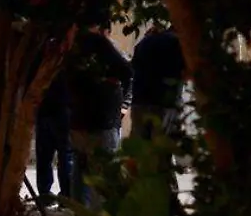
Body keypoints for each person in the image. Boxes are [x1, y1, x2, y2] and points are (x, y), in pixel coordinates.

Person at [65, 22, 132, 203]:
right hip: (102, 122)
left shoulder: (72, 49)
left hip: (80, 120)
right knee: (102, 175)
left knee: (81, 170)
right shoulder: (97, 45)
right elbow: (126, 72)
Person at [129, 23, 185, 140]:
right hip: (165, 105)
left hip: (140, 102)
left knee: (139, 150)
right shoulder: (179, 44)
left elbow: (132, 67)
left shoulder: (146, 41)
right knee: (161, 151)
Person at [34, 77, 74, 205]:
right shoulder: (68, 64)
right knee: (65, 156)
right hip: (63, 111)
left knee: (45, 155)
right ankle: (66, 195)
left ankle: (45, 193)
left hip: (45, 110)